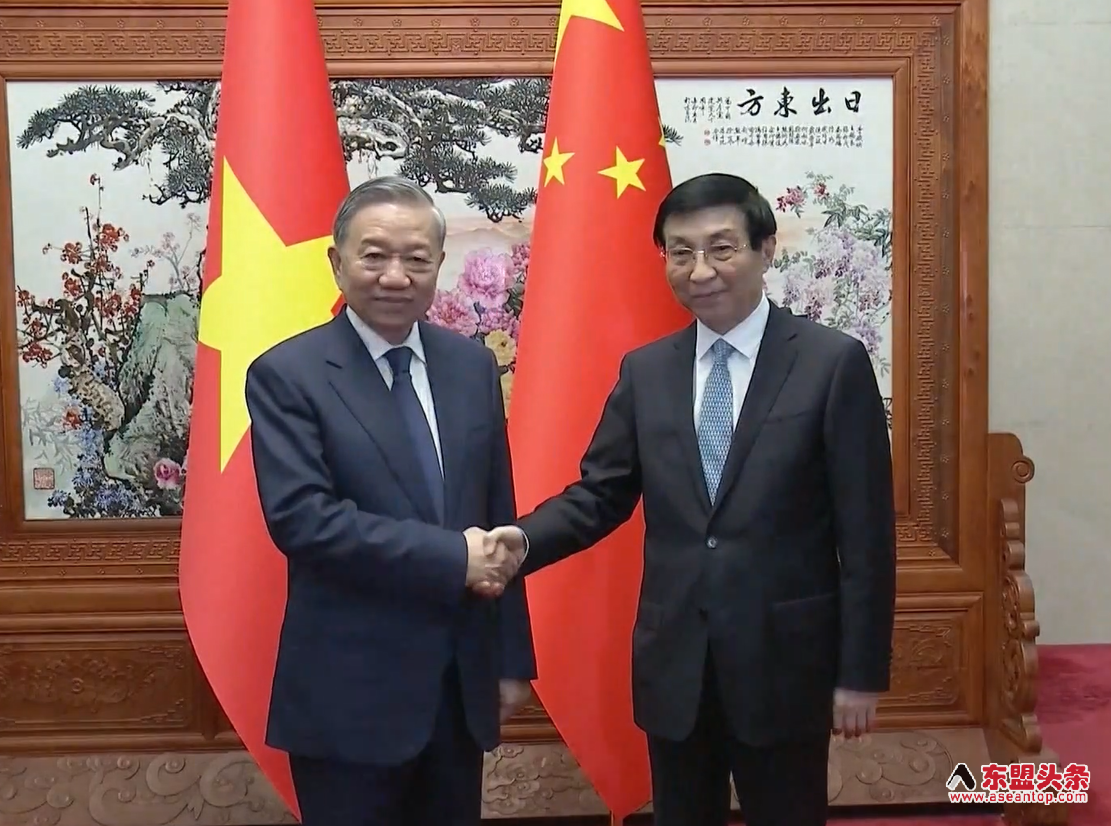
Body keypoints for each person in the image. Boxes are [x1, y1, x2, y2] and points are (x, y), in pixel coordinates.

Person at [488, 173, 896, 826]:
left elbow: (867, 536)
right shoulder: (646, 371)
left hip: (784, 667)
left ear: (764, 249)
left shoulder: (831, 363)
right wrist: (522, 541)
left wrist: (860, 673)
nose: (700, 270)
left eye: (721, 248)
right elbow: (600, 495)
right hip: (675, 666)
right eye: (680, 252)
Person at [244, 176, 536, 826]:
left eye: (416, 258)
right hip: (349, 696)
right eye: (374, 255)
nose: (395, 276)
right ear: (337, 262)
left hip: (457, 689)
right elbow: (304, 521)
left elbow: (498, 512)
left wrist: (511, 658)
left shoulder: (471, 366)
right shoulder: (287, 374)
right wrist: (452, 558)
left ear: (439, 264)